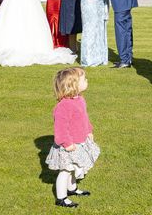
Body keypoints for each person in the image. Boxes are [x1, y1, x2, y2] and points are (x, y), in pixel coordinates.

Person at [45, 67, 100, 208]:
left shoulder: (80, 100)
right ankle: (61, 198)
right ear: (73, 84)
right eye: (84, 79)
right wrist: (67, 143)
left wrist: (88, 131)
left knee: (74, 168)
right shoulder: (63, 107)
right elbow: (61, 129)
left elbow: (84, 118)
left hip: (80, 142)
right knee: (65, 170)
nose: (87, 80)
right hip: (68, 145)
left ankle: (72, 189)